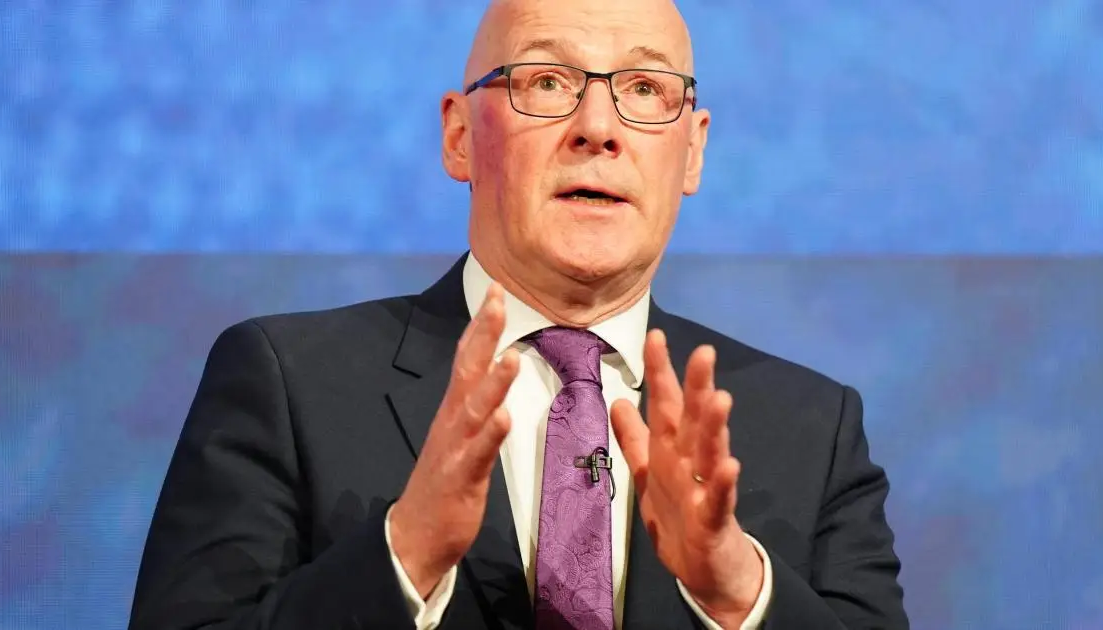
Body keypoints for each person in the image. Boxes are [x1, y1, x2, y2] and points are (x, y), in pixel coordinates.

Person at [128, 0, 908, 628]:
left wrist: (739, 591)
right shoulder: (288, 383)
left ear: (693, 150)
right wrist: (405, 555)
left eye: (645, 89)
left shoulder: (814, 429)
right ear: (459, 136)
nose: (598, 128)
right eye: (547, 81)